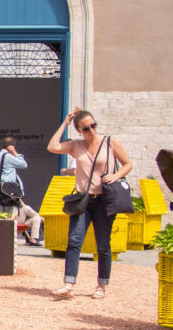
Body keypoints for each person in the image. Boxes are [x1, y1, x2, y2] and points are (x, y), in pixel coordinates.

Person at [46, 109, 133, 299]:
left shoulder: (110, 142)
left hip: (104, 200)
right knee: (74, 241)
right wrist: (64, 124)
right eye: (86, 128)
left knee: (103, 244)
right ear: (79, 130)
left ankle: (101, 286)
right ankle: (68, 284)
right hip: (83, 200)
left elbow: (127, 164)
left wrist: (116, 175)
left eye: (93, 125)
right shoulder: (76, 145)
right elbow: (52, 147)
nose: (91, 130)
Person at [0, 136, 44, 245]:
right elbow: (23, 164)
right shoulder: (7, 156)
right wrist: (15, 152)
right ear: (11, 146)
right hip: (7, 193)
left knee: (11, 214)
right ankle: (8, 238)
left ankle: (34, 231)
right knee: (14, 214)